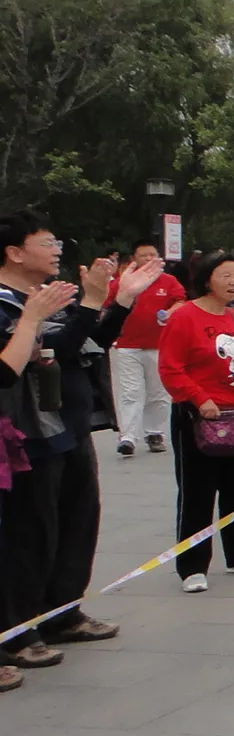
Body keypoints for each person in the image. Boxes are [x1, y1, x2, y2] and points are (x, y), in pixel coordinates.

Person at [0, 212, 161, 670]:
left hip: (69, 427)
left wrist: (121, 301)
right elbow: (57, 347)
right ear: (14, 252)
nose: (57, 251)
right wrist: (91, 301)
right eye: (47, 242)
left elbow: (91, 340)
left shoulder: (42, 295)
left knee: (76, 523)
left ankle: (62, 612)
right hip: (29, 433)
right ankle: (18, 629)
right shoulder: (9, 303)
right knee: (32, 534)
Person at [157, 252, 234, 593]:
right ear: (207, 279)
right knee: (197, 491)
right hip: (199, 416)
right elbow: (170, 367)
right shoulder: (185, 318)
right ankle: (192, 565)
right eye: (226, 275)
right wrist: (198, 397)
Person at [108, 240, 187, 458]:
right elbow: (107, 303)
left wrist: (170, 312)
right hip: (127, 346)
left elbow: (180, 301)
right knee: (130, 393)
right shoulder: (123, 282)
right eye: (144, 255)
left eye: (153, 255)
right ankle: (128, 437)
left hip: (159, 345)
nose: (149, 259)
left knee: (157, 392)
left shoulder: (168, 281)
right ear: (134, 259)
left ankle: (154, 433)